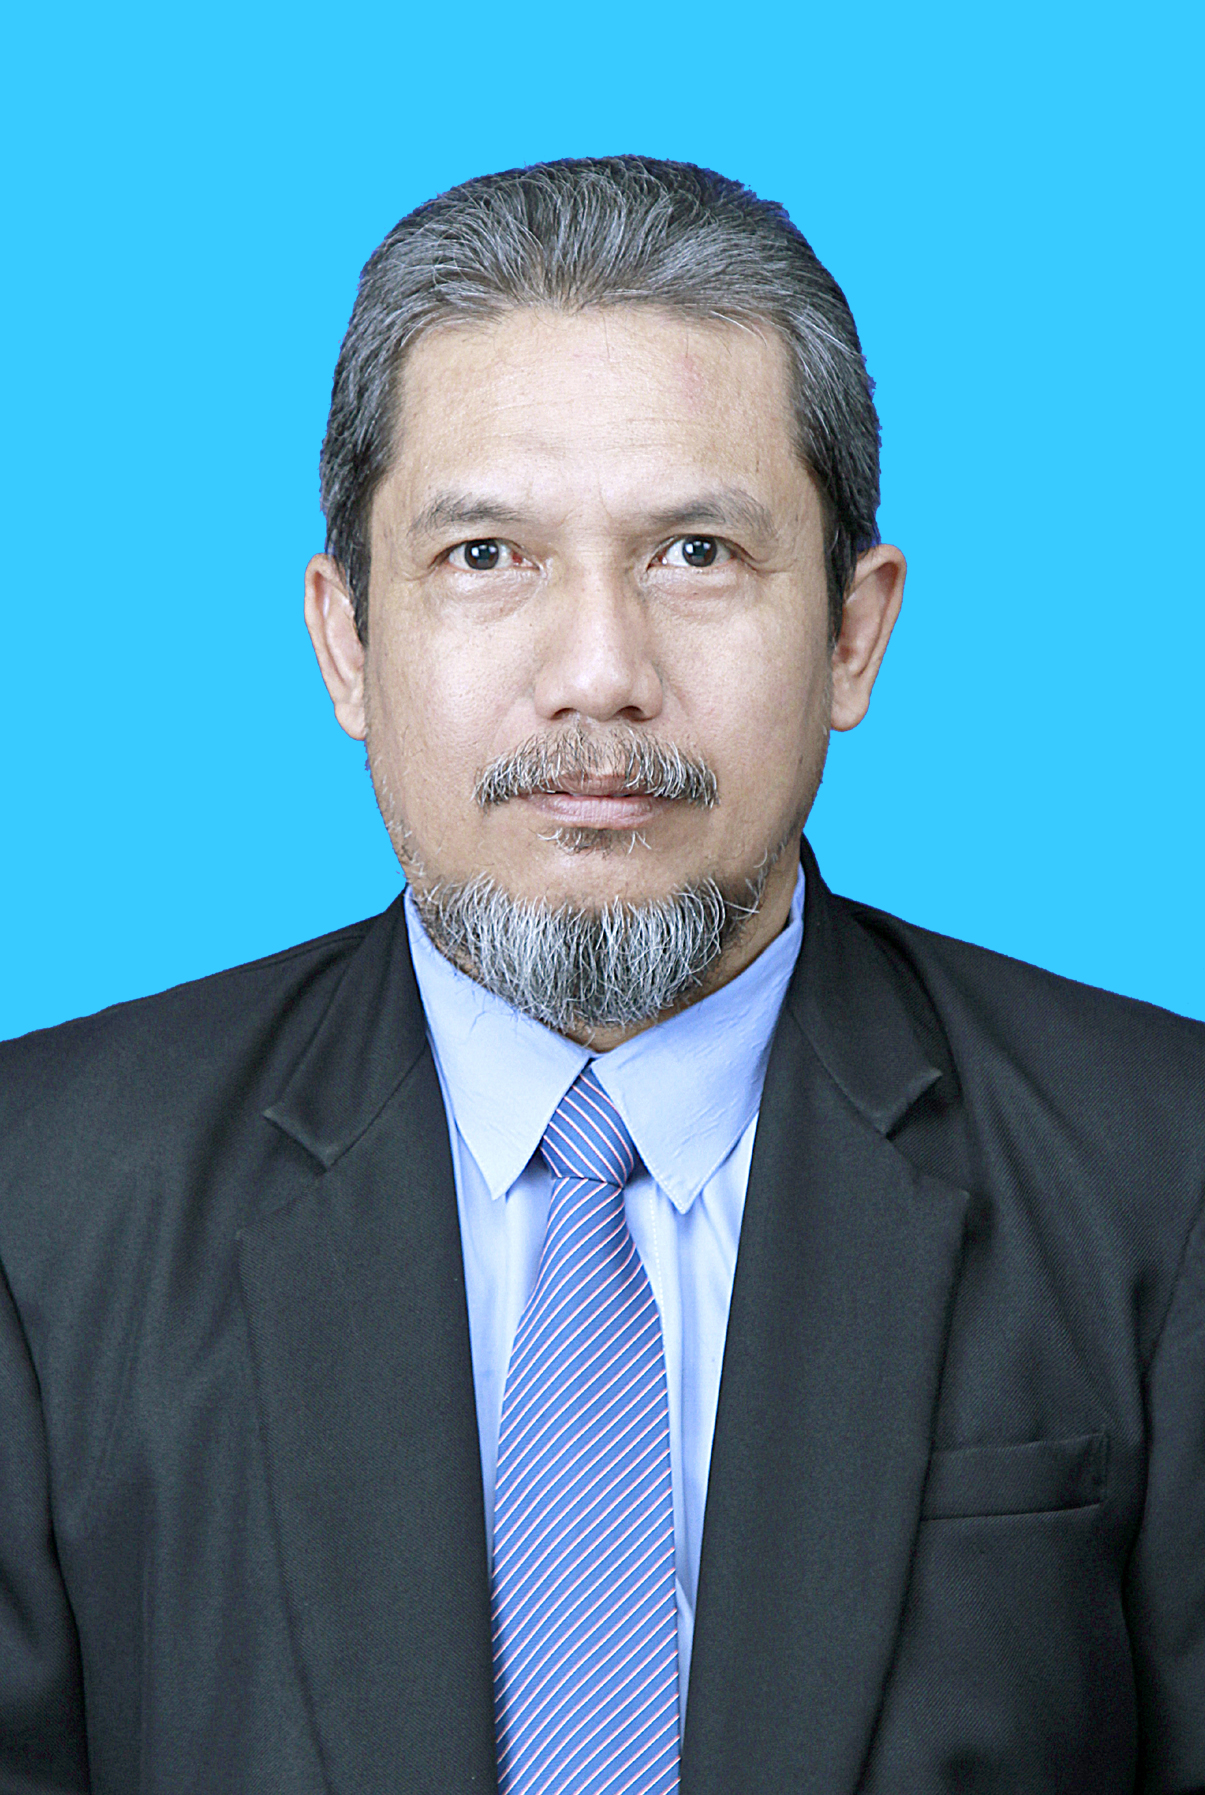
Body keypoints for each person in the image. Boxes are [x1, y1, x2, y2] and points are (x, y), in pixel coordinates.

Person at [1, 156, 1202, 1795]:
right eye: (484, 555)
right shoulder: (40, 1200)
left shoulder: (1163, 1175)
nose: (596, 675)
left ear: (851, 635)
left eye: (694, 552)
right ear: (346, 641)